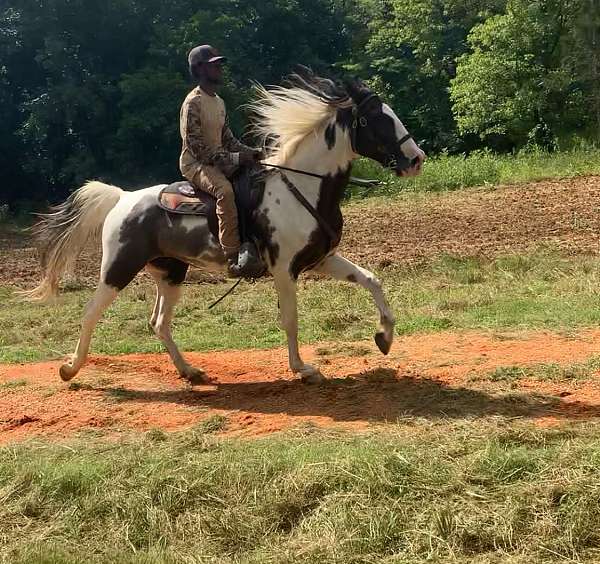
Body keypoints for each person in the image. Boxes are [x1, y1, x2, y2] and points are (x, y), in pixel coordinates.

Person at [179, 44, 263, 277]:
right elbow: (196, 146)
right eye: (214, 65)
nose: (219, 68)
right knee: (225, 192)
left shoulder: (219, 102)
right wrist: (236, 158)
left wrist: (253, 152)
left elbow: (228, 139)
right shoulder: (193, 102)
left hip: (220, 160)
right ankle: (233, 257)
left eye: (219, 64)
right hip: (196, 164)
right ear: (200, 69)